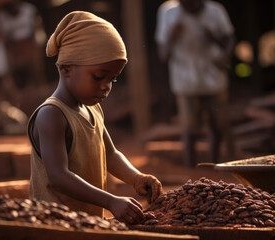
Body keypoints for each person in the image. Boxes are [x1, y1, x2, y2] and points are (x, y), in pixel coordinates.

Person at [27, 11, 163, 224]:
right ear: (66, 68)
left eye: (113, 80)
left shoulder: (93, 109)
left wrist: (135, 178)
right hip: (54, 226)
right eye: (99, 77)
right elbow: (58, 177)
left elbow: (110, 154)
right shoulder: (52, 114)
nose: (106, 87)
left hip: (86, 224)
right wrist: (111, 201)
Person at [155, 0, 236, 167]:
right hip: (185, 81)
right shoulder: (168, 12)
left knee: (218, 125)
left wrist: (216, 43)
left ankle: (214, 166)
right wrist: (173, 35)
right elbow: (163, 54)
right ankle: (191, 170)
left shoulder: (216, 11)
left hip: (214, 78)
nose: (190, 8)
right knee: (189, 129)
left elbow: (229, 40)